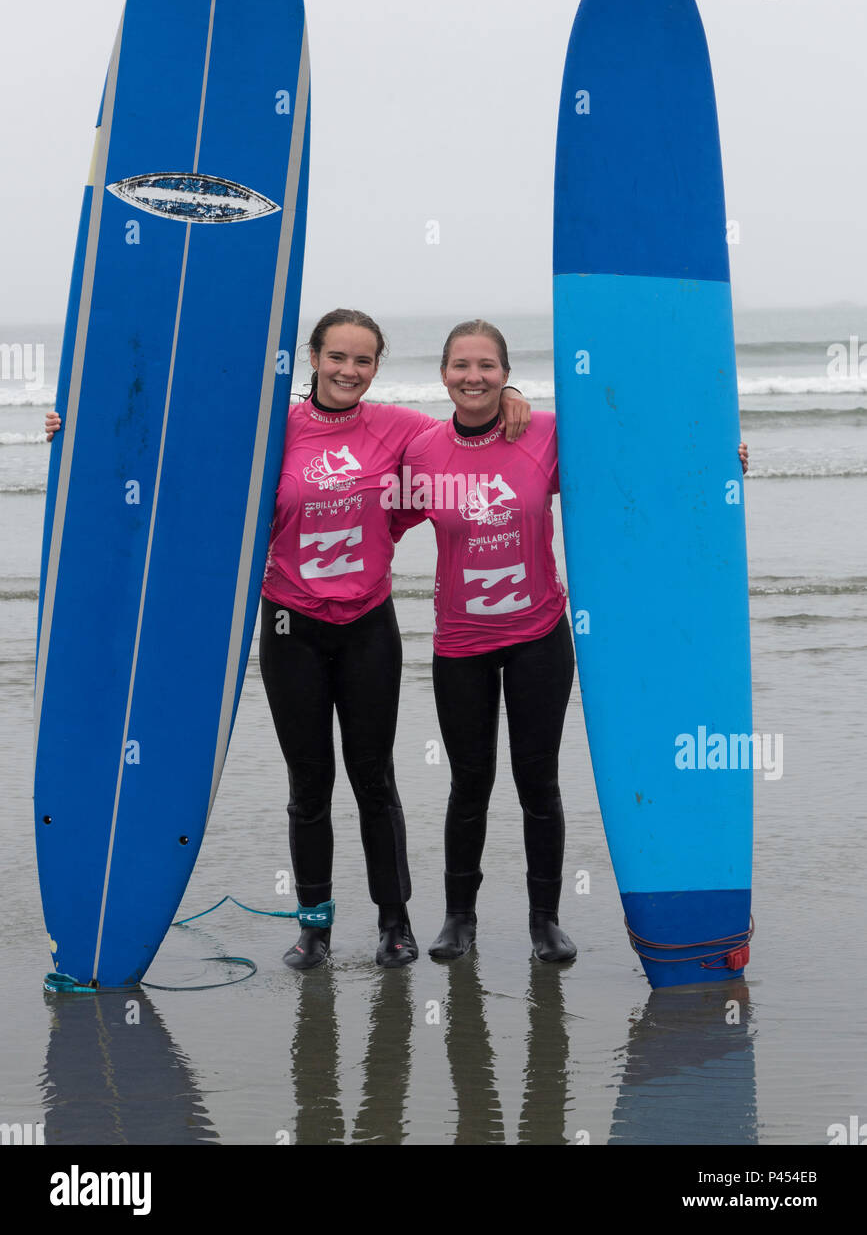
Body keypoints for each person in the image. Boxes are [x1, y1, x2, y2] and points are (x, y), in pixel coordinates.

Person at [44, 309, 531, 972]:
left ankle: (394, 923)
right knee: (308, 784)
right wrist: (85, 435)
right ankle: (314, 929)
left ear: (376, 368)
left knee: (373, 780)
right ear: (312, 357)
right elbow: (176, 457)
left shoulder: (396, 427)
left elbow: (466, 437)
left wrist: (508, 399)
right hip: (288, 627)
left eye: (362, 360)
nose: (348, 371)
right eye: (337, 357)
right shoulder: (273, 429)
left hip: (368, 628)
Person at [390, 320, 749, 965]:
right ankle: (458, 919)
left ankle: (544, 922)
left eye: (487, 366)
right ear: (442, 374)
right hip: (461, 644)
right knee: (469, 783)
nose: (474, 377)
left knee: (538, 781)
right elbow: (371, 517)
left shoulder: (545, 434)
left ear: (506, 373)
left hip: (537, 637)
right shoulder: (424, 453)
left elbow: (626, 467)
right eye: (461, 366)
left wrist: (713, 460)